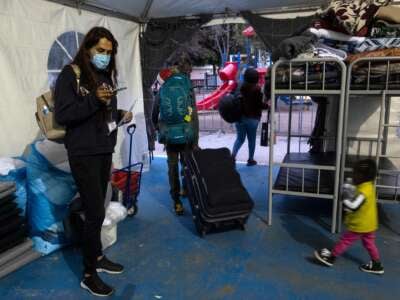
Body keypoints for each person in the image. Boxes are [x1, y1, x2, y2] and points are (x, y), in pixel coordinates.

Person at [54, 27, 132, 297]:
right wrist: (92, 100)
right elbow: (63, 115)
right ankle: (88, 274)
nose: (105, 57)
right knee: (96, 212)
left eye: (109, 52)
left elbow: (103, 113)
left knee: (97, 206)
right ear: (87, 48)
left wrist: (120, 113)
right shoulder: (70, 74)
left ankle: (97, 256)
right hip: (83, 153)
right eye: (100, 51)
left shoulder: (104, 75)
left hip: (102, 150)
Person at [314, 159, 384, 275]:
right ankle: (377, 264)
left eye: (355, 174)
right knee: (369, 243)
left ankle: (331, 257)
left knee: (345, 240)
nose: (353, 176)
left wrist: (345, 195)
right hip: (370, 224)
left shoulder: (364, 191)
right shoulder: (368, 186)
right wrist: (351, 189)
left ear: (362, 176)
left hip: (360, 225)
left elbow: (354, 206)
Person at [152, 56, 199, 216]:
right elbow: (193, 114)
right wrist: (195, 137)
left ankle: (176, 201)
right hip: (186, 133)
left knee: (172, 167)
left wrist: (158, 127)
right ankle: (187, 190)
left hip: (169, 135)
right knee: (186, 164)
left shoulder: (162, 90)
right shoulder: (186, 86)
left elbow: (154, 113)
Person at [232, 67, 267, 166]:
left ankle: (232, 157)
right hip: (253, 119)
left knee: (240, 138)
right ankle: (250, 159)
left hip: (239, 118)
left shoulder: (239, 87)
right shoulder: (257, 89)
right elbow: (259, 104)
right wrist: (268, 106)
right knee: (251, 140)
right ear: (256, 78)